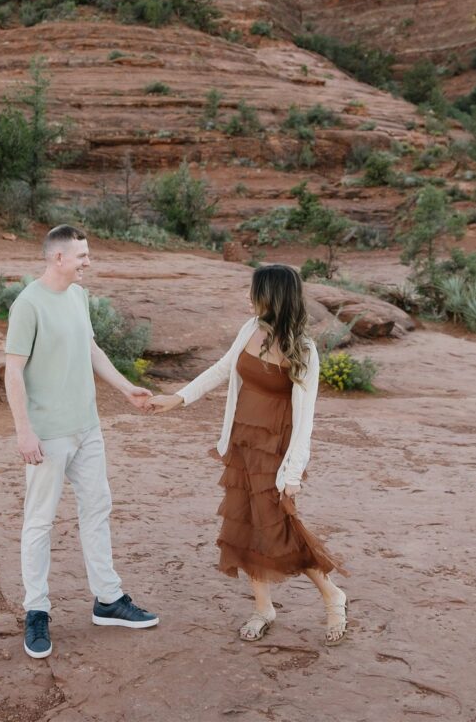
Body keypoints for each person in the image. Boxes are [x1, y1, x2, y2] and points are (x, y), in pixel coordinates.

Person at [148, 263, 348, 644]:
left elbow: (306, 419)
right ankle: (262, 608)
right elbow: (222, 370)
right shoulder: (249, 330)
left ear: (273, 296)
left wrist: (293, 476)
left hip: (275, 449)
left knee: (280, 526)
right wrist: (177, 398)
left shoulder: (303, 349)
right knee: (245, 523)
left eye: (255, 291)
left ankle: (332, 594)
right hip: (242, 442)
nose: (249, 297)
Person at [4, 224, 159, 659]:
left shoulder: (78, 296)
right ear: (57, 258)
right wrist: (24, 431)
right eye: (81, 255)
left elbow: (91, 349)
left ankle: (108, 599)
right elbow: (13, 371)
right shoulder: (27, 304)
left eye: (87, 254)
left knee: (97, 507)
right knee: (39, 522)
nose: (88, 261)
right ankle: (36, 611)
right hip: (47, 435)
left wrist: (126, 388)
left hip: (87, 427)